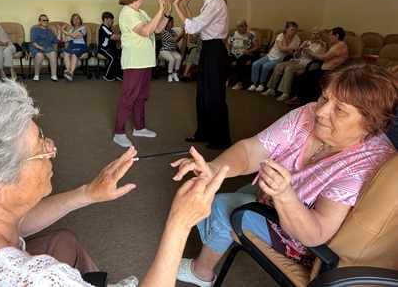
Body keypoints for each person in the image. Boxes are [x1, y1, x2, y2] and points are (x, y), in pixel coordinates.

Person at [0, 79, 229, 287]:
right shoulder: (37, 279)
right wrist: (179, 224)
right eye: (40, 148)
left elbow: (13, 223)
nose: (52, 148)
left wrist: (87, 193)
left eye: (43, 136)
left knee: (62, 240)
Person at [170, 61, 398, 287]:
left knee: (222, 205)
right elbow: (251, 151)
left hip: (305, 239)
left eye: (339, 110)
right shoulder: (307, 114)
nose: (320, 111)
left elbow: (316, 234)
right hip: (279, 196)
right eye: (324, 98)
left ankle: (201, 272)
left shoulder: (364, 165)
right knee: (241, 193)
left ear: (370, 124)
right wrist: (215, 167)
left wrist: (284, 196)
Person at [173, 0, 231, 150]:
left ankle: (221, 138)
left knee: (214, 96)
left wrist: (176, 6)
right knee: (203, 95)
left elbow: (191, 27)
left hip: (215, 50)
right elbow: (198, 25)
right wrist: (186, 6)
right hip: (208, 49)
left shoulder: (216, 4)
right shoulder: (209, 2)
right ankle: (204, 132)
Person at [113, 0, 169, 148]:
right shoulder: (127, 12)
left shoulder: (141, 12)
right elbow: (145, 31)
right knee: (129, 97)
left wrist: (166, 12)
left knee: (141, 97)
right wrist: (160, 9)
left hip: (145, 62)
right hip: (134, 62)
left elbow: (157, 29)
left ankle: (139, 127)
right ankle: (119, 132)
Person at [286, 27, 349, 105]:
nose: (329, 37)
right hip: (324, 68)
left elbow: (324, 57)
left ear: (337, 36)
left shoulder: (341, 45)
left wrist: (310, 52)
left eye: (331, 35)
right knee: (303, 77)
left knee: (307, 78)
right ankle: (299, 98)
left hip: (330, 70)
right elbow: (324, 55)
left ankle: (303, 101)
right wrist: (322, 45)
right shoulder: (335, 45)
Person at [262, 27, 326, 101]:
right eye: (313, 33)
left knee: (289, 68)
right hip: (297, 60)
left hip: (307, 63)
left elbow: (322, 58)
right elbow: (296, 56)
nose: (315, 35)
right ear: (311, 34)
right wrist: (300, 50)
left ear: (321, 36)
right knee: (279, 66)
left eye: (317, 34)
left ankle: (285, 93)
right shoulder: (306, 42)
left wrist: (310, 52)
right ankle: (271, 89)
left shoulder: (322, 44)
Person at [248, 21, 300, 92]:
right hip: (270, 55)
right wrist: (292, 48)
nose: (293, 32)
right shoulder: (280, 36)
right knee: (255, 64)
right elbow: (281, 48)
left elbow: (294, 52)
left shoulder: (297, 38)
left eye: (295, 30)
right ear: (286, 29)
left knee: (266, 66)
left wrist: (290, 50)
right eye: (292, 29)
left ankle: (262, 84)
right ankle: (254, 84)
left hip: (280, 59)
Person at [226, 19, 260, 90]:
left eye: (245, 26)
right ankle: (226, 78)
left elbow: (257, 47)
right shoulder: (233, 34)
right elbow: (228, 45)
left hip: (245, 53)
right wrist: (228, 51)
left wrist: (249, 50)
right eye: (242, 26)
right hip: (234, 52)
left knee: (240, 62)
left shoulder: (251, 34)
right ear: (238, 28)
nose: (244, 27)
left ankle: (239, 83)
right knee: (225, 59)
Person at [29, 14, 61, 82]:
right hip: (36, 47)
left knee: (53, 54)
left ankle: (54, 75)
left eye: (47, 20)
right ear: (40, 22)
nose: (46, 21)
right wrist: (39, 47)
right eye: (43, 20)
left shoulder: (49, 31)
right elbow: (33, 41)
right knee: (40, 55)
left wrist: (59, 30)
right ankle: (36, 75)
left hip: (47, 48)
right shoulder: (36, 29)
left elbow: (56, 40)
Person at [59, 13, 89, 81]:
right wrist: (63, 30)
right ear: (72, 22)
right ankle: (68, 72)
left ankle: (71, 73)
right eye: (74, 19)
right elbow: (65, 40)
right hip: (71, 47)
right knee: (65, 53)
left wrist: (64, 31)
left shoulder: (83, 28)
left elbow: (74, 36)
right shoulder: (71, 30)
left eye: (77, 19)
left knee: (74, 55)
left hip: (81, 47)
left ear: (80, 20)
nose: (76, 20)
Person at [159, 11, 185, 83]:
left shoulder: (173, 31)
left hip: (172, 50)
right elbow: (174, 40)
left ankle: (175, 74)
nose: (173, 24)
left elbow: (177, 40)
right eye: (171, 22)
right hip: (165, 50)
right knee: (172, 59)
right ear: (167, 23)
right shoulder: (164, 32)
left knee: (179, 57)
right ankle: (169, 75)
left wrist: (182, 34)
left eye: (173, 22)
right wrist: (182, 32)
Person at [98, 11, 123, 82]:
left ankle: (119, 75)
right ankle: (106, 75)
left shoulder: (109, 28)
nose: (113, 21)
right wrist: (124, 31)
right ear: (106, 19)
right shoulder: (103, 28)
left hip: (110, 48)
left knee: (123, 54)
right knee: (113, 58)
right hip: (103, 48)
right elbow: (116, 38)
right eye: (111, 19)